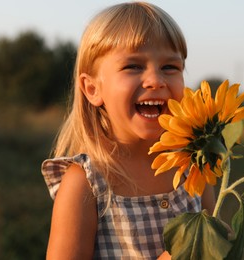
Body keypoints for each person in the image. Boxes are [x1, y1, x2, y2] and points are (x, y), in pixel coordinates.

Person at [41, 2, 216, 259]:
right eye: (133, 66)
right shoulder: (85, 184)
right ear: (92, 89)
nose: (156, 80)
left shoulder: (194, 167)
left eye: (170, 67)